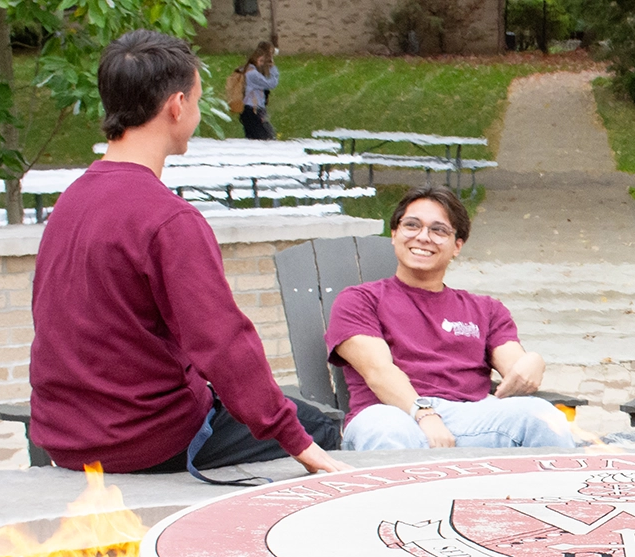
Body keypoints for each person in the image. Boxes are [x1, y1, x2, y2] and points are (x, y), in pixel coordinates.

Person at [30, 30, 346, 478]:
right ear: (176, 106)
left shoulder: (72, 200)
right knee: (321, 427)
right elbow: (222, 344)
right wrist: (300, 443)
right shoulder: (168, 220)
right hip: (145, 441)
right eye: (196, 101)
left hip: (64, 437)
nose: (195, 113)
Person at [327, 185, 576, 450]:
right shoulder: (360, 300)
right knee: (388, 431)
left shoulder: (486, 309)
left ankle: (557, 492)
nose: (423, 237)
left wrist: (533, 362)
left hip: (472, 416)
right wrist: (424, 413)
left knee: (542, 416)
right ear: (394, 234)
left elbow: (515, 370)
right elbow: (378, 371)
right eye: (412, 225)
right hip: (390, 411)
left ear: (457, 246)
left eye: (439, 230)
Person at [240, 42, 278, 140]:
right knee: (265, 139)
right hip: (252, 110)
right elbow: (271, 84)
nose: (262, 64)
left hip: (249, 110)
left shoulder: (247, 70)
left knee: (254, 139)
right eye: (261, 61)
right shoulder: (253, 74)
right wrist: (272, 68)